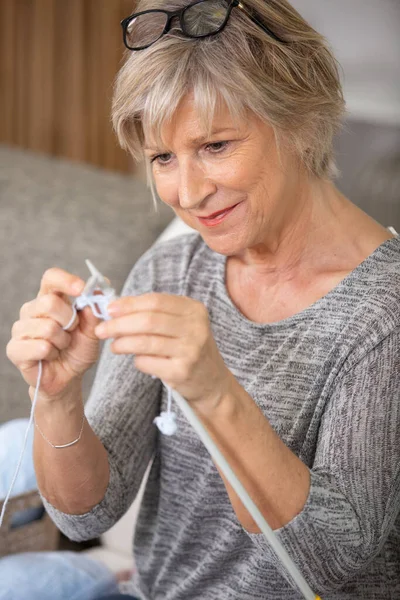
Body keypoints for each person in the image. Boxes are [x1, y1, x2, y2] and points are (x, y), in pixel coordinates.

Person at [6, 0, 400, 598]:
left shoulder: (383, 315)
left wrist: (216, 392)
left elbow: (328, 563)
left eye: (216, 145)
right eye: (163, 157)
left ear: (301, 121)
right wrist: (57, 399)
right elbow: (86, 513)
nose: (186, 194)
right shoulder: (171, 267)